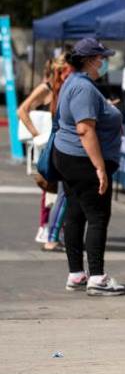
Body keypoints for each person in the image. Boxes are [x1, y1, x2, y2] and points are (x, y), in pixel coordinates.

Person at [53, 38, 125, 296]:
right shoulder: (83, 88)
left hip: (69, 157)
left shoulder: (75, 83)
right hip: (83, 159)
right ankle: (97, 277)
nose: (104, 61)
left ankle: (76, 273)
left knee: (75, 213)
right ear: (90, 60)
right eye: (101, 57)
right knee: (97, 216)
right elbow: (85, 130)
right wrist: (99, 168)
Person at [18, 53, 72, 252]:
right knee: (48, 185)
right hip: (46, 144)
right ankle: (46, 227)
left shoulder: (63, 89)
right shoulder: (46, 88)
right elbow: (22, 110)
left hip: (57, 143)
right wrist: (36, 134)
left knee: (55, 188)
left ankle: (54, 229)